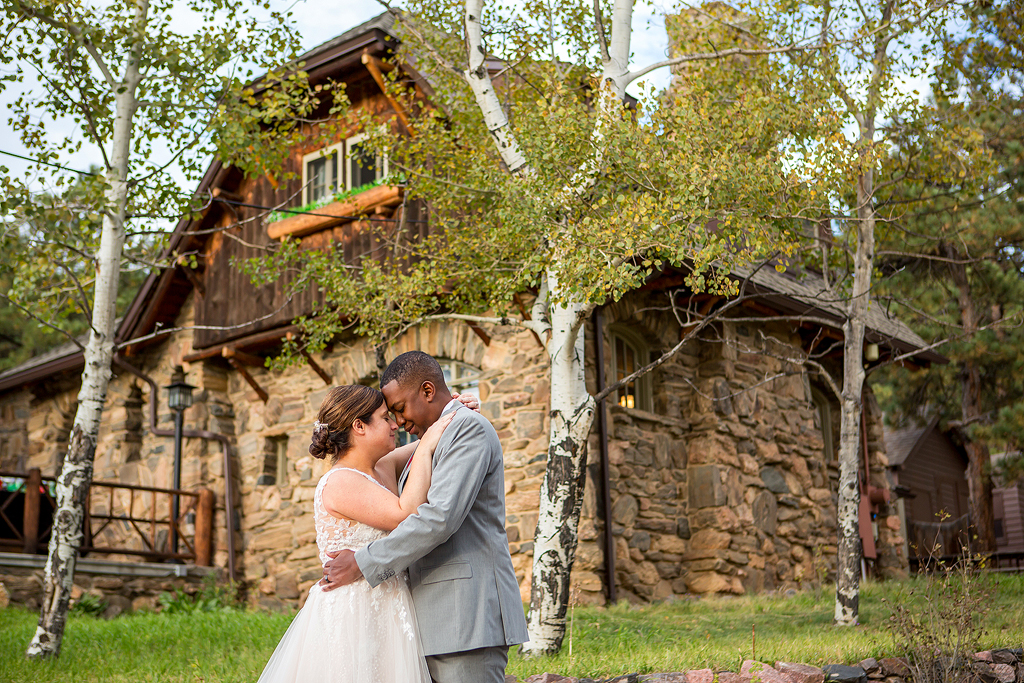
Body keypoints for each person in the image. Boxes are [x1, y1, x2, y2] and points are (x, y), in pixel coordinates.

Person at [321, 351, 529, 683]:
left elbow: (439, 519)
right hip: (430, 621)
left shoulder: (466, 430)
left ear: (428, 391)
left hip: (465, 617)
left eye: (400, 410)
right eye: (389, 415)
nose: (398, 422)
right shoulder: (432, 439)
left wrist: (362, 562)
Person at [256, 383, 471, 683]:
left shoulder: (383, 465)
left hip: (390, 605)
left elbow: (434, 437)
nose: (395, 424)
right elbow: (405, 514)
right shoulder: (340, 481)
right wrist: (426, 448)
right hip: (355, 612)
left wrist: (455, 410)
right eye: (385, 418)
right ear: (359, 426)